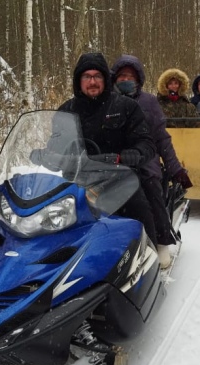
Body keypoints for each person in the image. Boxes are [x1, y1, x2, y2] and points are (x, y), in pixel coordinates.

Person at [58, 52, 158, 248]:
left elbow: (146, 142)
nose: (92, 81)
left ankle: (150, 252)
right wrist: (46, 155)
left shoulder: (125, 106)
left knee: (139, 210)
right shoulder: (66, 110)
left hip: (121, 178)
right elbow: (57, 144)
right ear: (78, 81)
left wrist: (134, 153)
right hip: (78, 181)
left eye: (97, 76)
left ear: (105, 79)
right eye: (87, 76)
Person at [111, 54, 192, 268]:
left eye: (130, 76)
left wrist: (176, 169)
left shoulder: (149, 102)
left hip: (145, 162)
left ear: (138, 79)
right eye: (121, 76)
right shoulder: (108, 100)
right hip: (113, 162)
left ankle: (161, 242)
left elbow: (161, 137)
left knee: (151, 192)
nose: (125, 80)